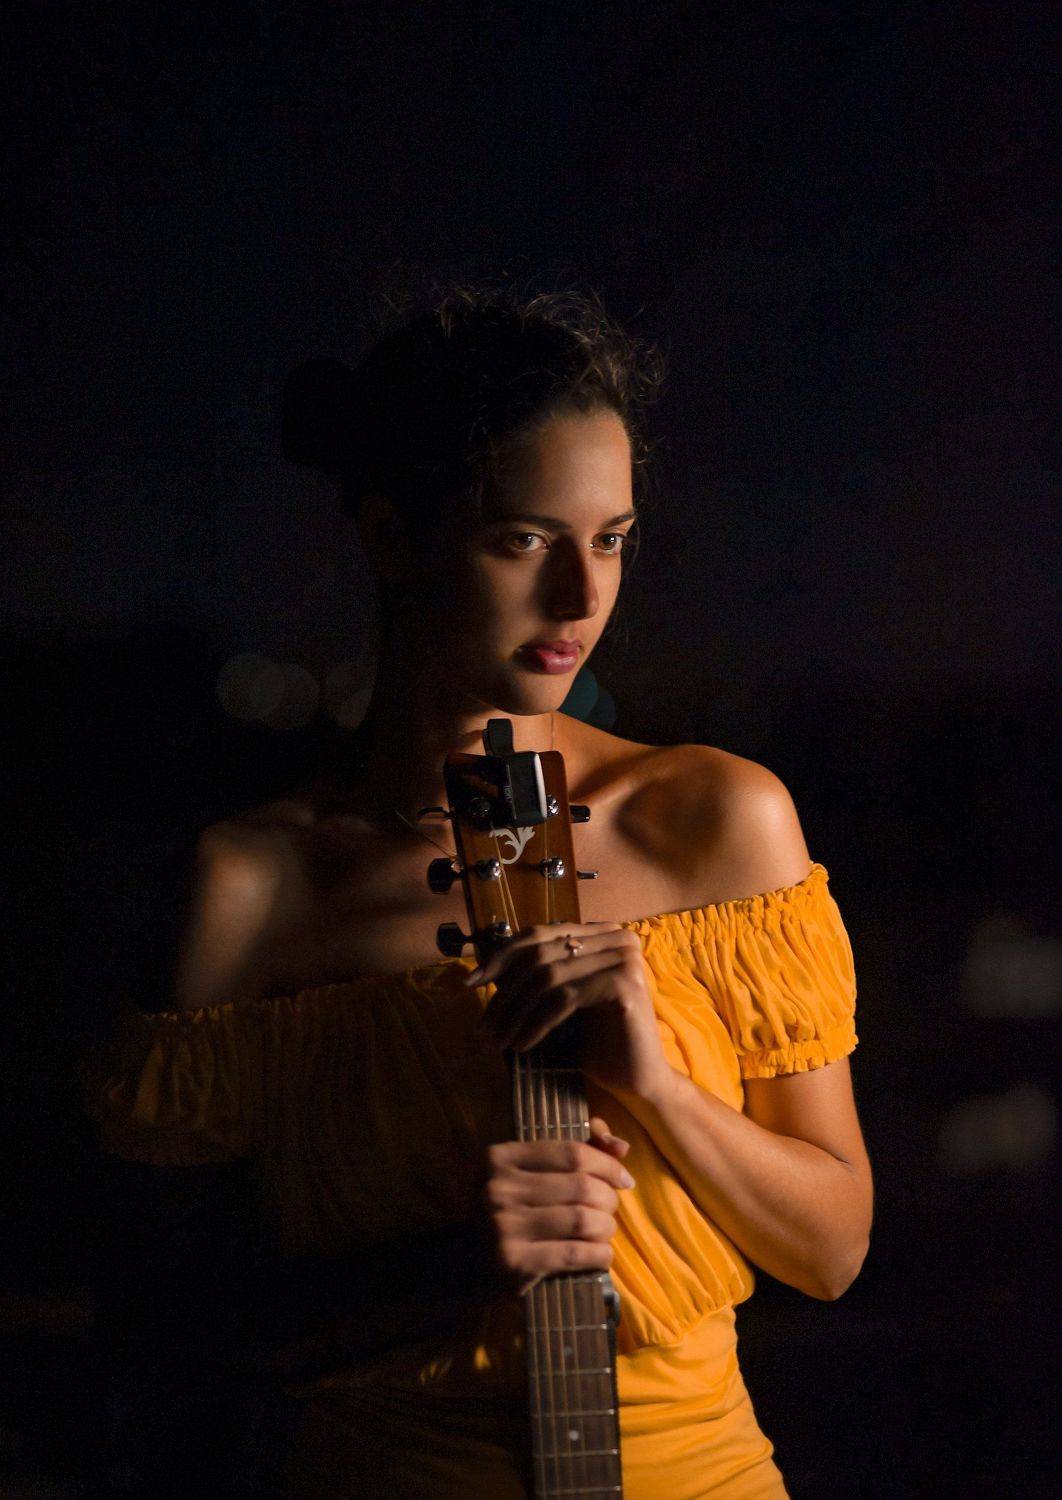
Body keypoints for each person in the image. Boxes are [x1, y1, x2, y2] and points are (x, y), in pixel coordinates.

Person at [80, 280, 873, 1497]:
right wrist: (442, 1268)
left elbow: (832, 1250)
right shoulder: (252, 886)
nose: (581, 599)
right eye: (525, 540)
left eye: (610, 540)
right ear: (392, 537)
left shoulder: (717, 819)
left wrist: (661, 1086)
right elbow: (154, 1335)